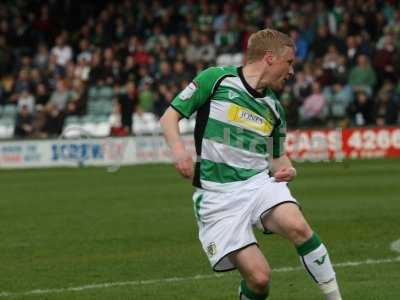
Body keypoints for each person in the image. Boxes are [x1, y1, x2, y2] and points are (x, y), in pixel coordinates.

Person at [160, 28, 343, 300]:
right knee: (259, 279)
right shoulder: (216, 80)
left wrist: (288, 168)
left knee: (298, 226)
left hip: (258, 185)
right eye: (289, 62)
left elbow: (276, 155)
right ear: (270, 58)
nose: (292, 71)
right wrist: (179, 151)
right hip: (217, 197)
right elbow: (169, 117)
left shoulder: (274, 108)